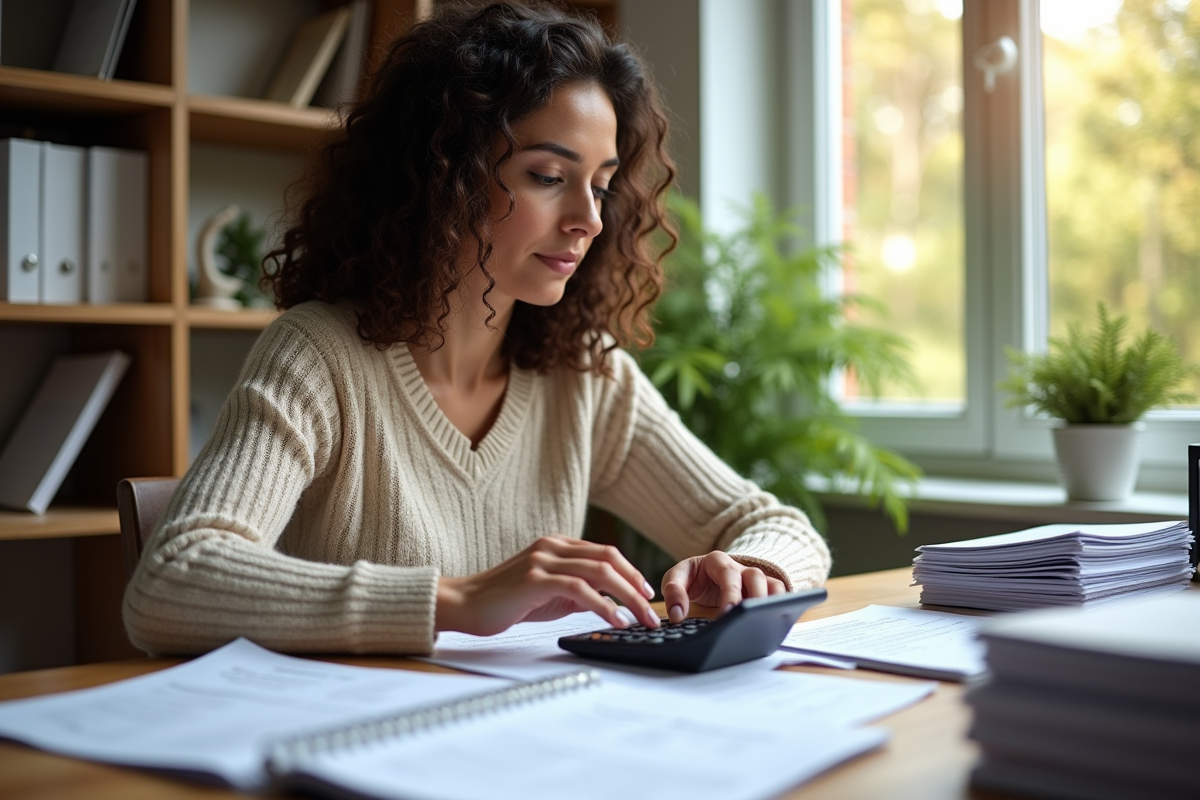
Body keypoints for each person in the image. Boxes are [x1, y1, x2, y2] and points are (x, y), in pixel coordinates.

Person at [123, 0, 830, 656]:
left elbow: (780, 527)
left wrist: (749, 568)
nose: (589, 217)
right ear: (443, 176)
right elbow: (170, 582)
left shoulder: (584, 372)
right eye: (549, 175)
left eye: (603, 183)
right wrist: (457, 599)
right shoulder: (319, 355)